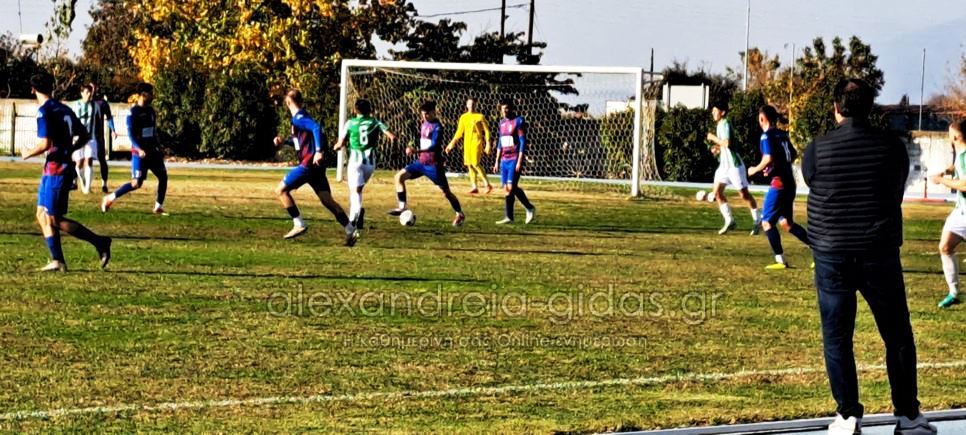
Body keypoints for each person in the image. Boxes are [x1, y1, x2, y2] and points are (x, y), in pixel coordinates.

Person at [803, 79, 936, 435]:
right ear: (870, 107)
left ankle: (847, 415)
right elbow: (895, 186)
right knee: (897, 334)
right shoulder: (891, 147)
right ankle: (908, 416)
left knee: (837, 337)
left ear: (836, 108)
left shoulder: (817, 148)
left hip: (832, 252)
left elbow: (813, 181)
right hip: (878, 250)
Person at [21, 72, 111, 272]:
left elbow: (45, 143)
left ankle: (100, 242)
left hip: (57, 169)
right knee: (41, 213)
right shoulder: (64, 109)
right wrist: (70, 149)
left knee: (53, 218)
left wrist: (27, 153)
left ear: (33, 90)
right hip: (52, 168)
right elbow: (84, 134)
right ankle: (57, 260)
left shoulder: (44, 111)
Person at [272, 90, 357, 246]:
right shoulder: (301, 117)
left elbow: (316, 128)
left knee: (281, 190)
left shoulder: (299, 118)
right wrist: (284, 142)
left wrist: (318, 151)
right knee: (327, 200)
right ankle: (350, 229)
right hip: (316, 167)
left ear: (288, 102)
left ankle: (298, 223)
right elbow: (300, 142)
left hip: (308, 165)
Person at [747, 105, 809, 269]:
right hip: (789, 183)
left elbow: (768, 157)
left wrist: (755, 169)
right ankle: (819, 251)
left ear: (762, 118)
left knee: (767, 222)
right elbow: (792, 154)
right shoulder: (782, 134)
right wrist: (773, 167)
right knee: (787, 223)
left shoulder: (766, 136)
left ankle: (780, 261)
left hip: (779, 184)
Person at [388, 100, 465, 227]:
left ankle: (459, 213)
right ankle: (402, 207)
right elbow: (422, 138)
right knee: (398, 177)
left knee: (446, 193)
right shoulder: (424, 123)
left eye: (427, 114)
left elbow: (434, 146)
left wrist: (416, 151)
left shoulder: (438, 127)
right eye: (423, 114)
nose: (424, 116)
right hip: (420, 163)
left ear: (434, 112)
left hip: (433, 166)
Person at [101, 83, 168, 215]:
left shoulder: (151, 111)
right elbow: (131, 134)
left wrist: (159, 147)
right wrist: (139, 148)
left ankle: (158, 206)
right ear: (143, 94)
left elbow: (153, 132)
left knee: (163, 176)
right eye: (151, 93)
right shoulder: (133, 112)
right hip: (139, 153)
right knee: (136, 183)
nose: (153, 96)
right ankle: (109, 198)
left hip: (152, 151)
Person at [333, 98, 396, 232]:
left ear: (355, 110)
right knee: (358, 190)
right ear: (370, 110)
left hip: (355, 162)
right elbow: (392, 136)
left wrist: (336, 147)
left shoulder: (350, 123)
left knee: (354, 191)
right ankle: (358, 213)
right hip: (370, 164)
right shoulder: (375, 122)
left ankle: (353, 219)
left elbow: (341, 143)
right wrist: (393, 146)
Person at [706, 100, 760, 235]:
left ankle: (757, 220)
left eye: (715, 110)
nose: (713, 112)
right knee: (717, 193)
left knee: (744, 195)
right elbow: (723, 145)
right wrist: (717, 149)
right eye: (712, 110)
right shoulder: (720, 124)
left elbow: (727, 143)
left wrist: (713, 138)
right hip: (724, 166)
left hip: (734, 166)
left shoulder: (725, 123)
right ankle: (729, 220)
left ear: (723, 112)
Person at [929, 118, 966, 309]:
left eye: (950, 133)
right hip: (961, 211)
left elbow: (965, 185)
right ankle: (954, 293)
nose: (948, 136)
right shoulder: (960, 151)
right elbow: (956, 167)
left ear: (956, 136)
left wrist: (941, 181)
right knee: (945, 247)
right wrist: (945, 171)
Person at [493, 99, 535, 225]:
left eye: (507, 108)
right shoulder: (501, 123)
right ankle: (509, 217)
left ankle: (529, 207)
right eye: (503, 108)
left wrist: (519, 161)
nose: (505, 111)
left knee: (511, 187)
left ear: (511, 108)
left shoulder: (518, 121)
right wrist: (496, 161)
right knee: (507, 188)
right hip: (504, 160)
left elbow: (522, 141)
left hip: (514, 158)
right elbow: (500, 143)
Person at [445, 97, 493, 194]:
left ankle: (487, 184)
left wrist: (488, 144)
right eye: (470, 104)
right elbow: (459, 132)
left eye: (473, 104)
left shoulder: (480, 117)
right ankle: (474, 187)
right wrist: (451, 143)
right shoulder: (463, 117)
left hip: (477, 142)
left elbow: (487, 131)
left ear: (476, 105)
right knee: (469, 165)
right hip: (467, 143)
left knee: (475, 163)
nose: (471, 106)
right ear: (467, 105)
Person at [89, 82, 118, 193]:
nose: (92, 90)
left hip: (98, 137)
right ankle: (85, 184)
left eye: (94, 88)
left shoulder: (102, 103)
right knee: (86, 160)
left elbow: (109, 117)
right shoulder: (84, 103)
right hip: (86, 136)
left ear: (97, 89)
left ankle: (104, 184)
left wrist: (113, 130)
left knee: (102, 160)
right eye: (90, 88)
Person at [71, 84, 97, 194]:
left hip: (90, 137)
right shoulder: (75, 105)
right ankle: (83, 181)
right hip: (78, 137)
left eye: (90, 92)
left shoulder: (95, 105)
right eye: (86, 92)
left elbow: (98, 120)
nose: (89, 94)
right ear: (82, 93)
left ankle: (87, 188)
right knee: (79, 163)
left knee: (89, 159)